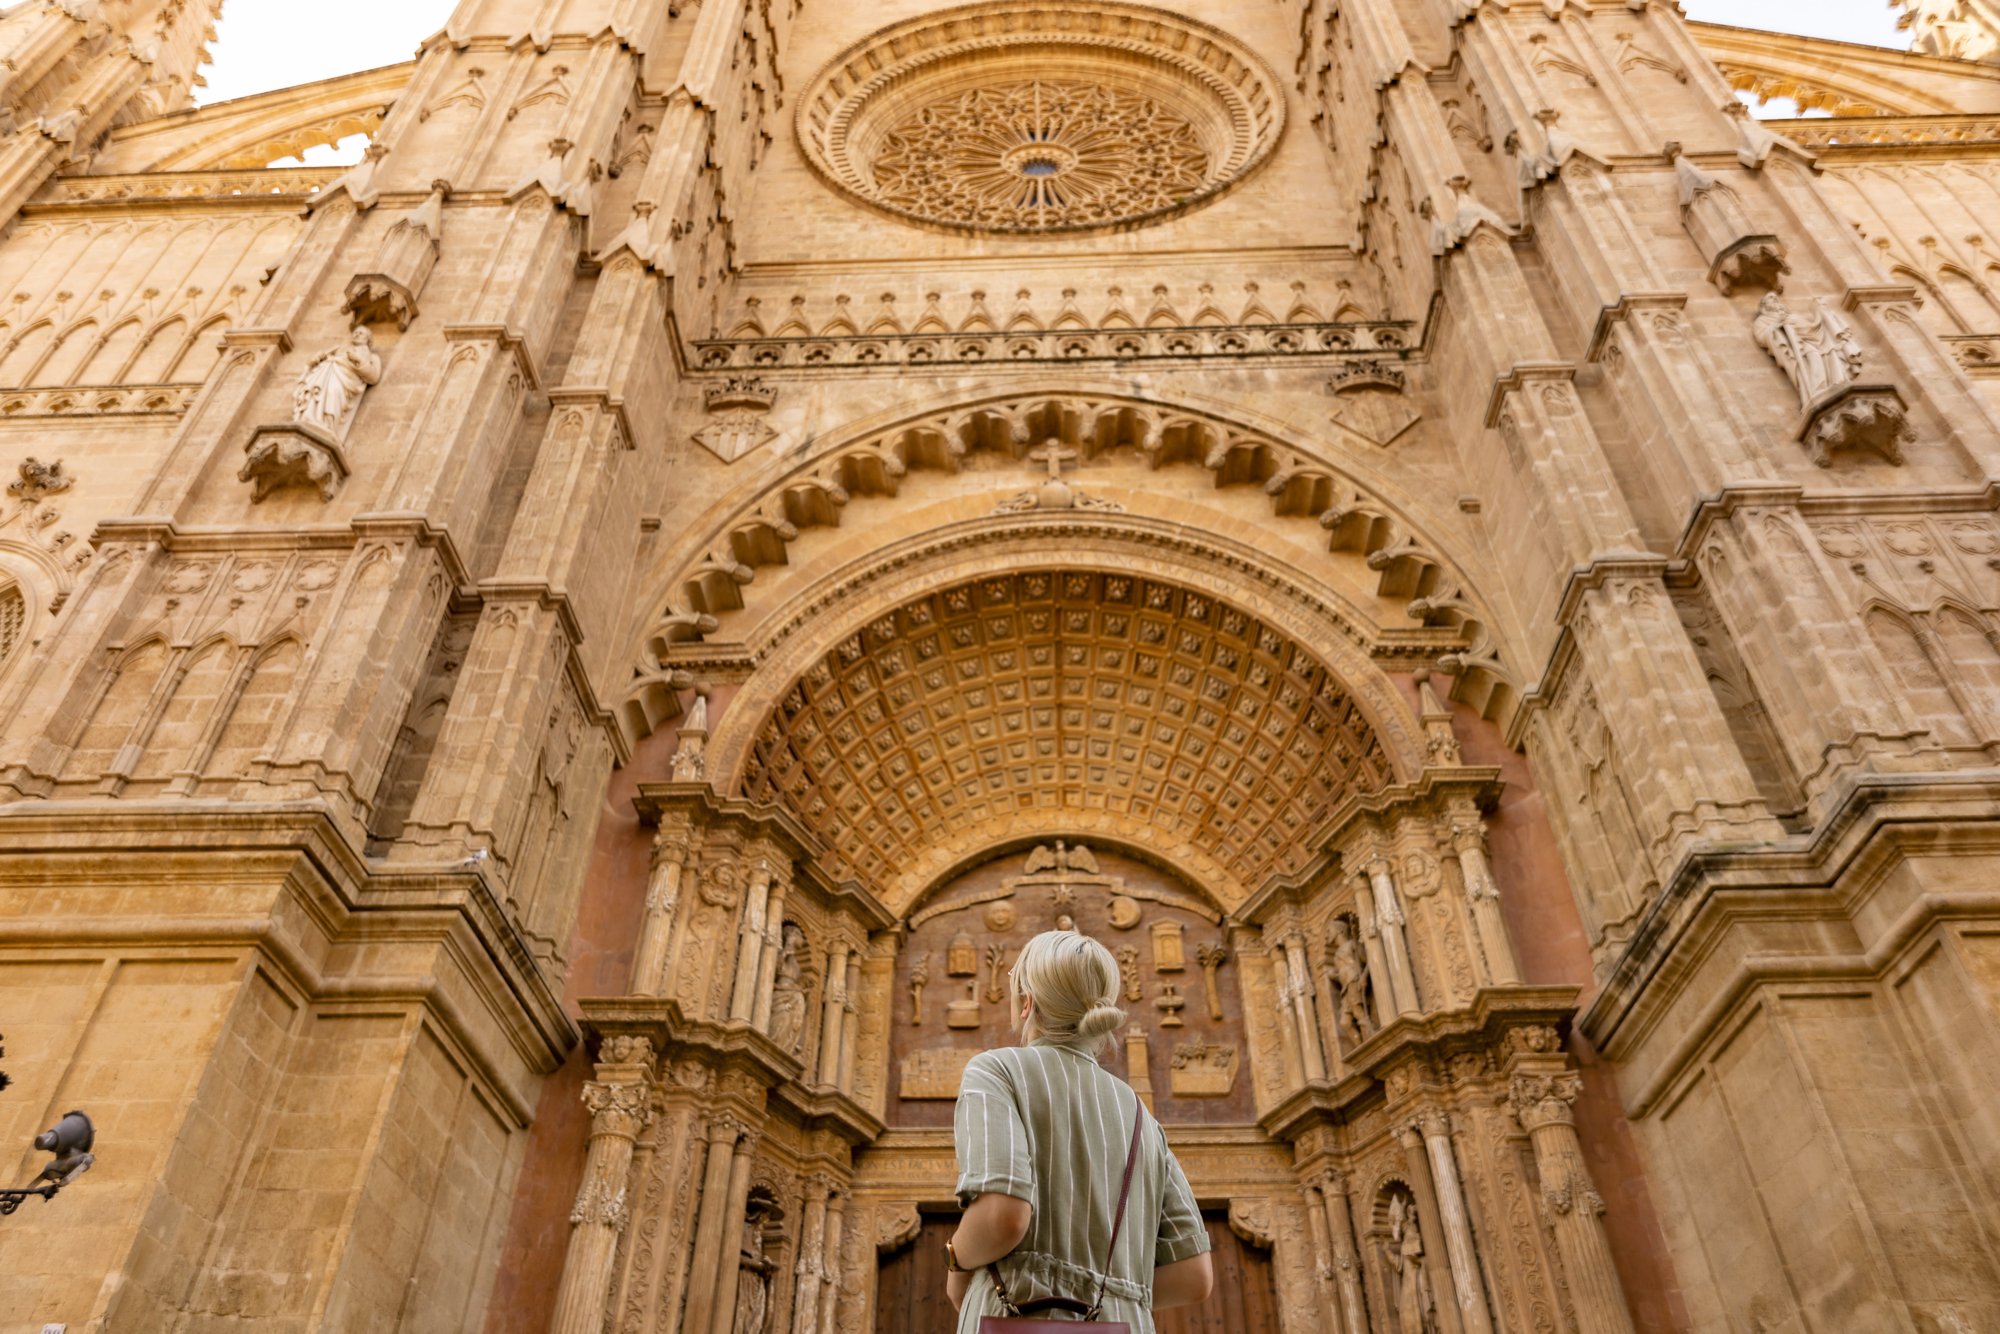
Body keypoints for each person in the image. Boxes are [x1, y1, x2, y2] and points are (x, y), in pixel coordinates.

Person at [947, 929, 1214, 1330]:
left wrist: (956, 1261)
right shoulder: (1141, 1115)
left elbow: (1003, 1216)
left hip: (1013, 1314)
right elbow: (1195, 1275)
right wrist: (1112, 1292)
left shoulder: (997, 1071)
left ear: (1027, 1003)